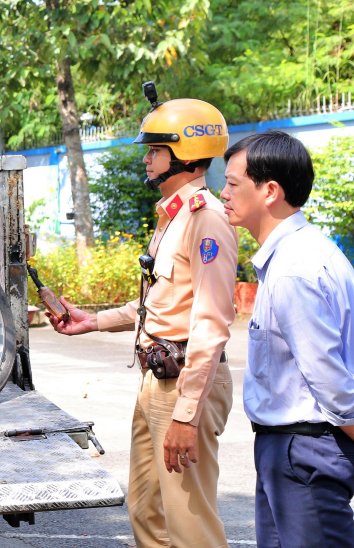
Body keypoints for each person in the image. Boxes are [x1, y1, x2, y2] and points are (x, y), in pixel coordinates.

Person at [51, 92, 238, 548]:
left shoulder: (205, 219)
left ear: (186, 154)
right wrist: (92, 322)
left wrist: (187, 415)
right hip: (157, 379)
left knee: (189, 524)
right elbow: (159, 303)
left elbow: (211, 323)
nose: (148, 159)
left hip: (185, 382)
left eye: (155, 149)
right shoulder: (171, 217)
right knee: (146, 512)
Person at [220, 130, 354, 548]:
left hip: (307, 451)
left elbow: (331, 382)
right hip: (293, 451)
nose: (222, 193)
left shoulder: (295, 269)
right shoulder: (299, 255)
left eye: (233, 183)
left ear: (270, 191)